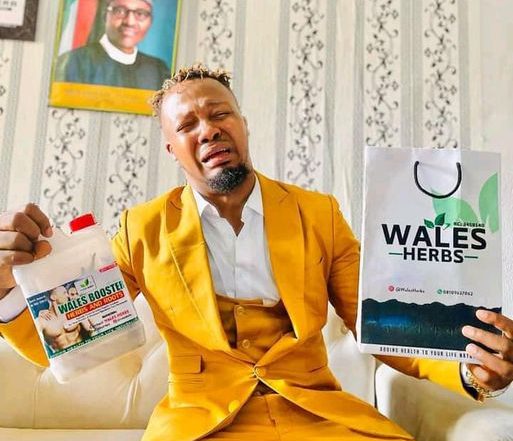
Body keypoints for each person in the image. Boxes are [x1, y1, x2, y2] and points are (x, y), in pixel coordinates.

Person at [0, 64, 512, 440]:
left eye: (219, 113)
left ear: (242, 124)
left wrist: (471, 368)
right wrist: (7, 291)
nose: (208, 129)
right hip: (204, 426)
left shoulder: (318, 213)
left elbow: (380, 323)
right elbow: (69, 342)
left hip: (320, 417)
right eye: (187, 125)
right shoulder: (143, 228)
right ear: (172, 149)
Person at [54, 0, 169, 90]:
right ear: (105, 16)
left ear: (150, 21)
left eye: (140, 14)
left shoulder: (158, 69)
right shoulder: (73, 62)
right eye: (120, 11)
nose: (130, 22)